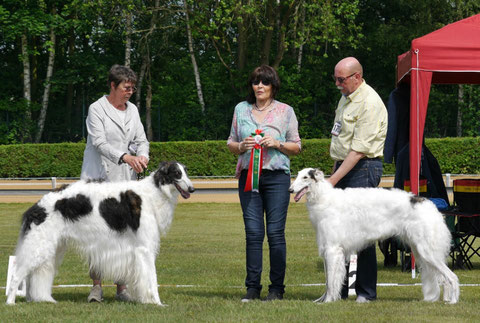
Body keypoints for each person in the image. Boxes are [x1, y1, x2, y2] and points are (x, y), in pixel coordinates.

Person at [227, 65, 301, 302]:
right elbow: (231, 141)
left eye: (265, 83)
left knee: (276, 233)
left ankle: (277, 289)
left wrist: (277, 144)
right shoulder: (241, 109)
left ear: (273, 86)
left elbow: (296, 146)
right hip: (249, 177)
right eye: (256, 82)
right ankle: (252, 288)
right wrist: (241, 146)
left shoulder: (285, 111)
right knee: (253, 233)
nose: (259, 86)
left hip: (277, 178)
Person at [80, 64, 150, 303]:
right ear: (113, 85)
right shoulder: (96, 109)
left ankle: (121, 288)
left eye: (132, 88)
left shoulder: (133, 110)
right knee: (96, 232)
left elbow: (141, 139)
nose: (130, 92)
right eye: (126, 88)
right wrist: (125, 157)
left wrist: (143, 156)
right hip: (98, 179)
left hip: (124, 181)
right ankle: (96, 287)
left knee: (124, 233)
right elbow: (99, 142)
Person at [327, 57, 388, 303]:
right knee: (337, 232)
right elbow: (340, 142)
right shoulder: (345, 98)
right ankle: (337, 291)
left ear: (357, 77)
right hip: (344, 167)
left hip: (363, 168)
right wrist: (334, 171)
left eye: (341, 80)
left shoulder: (370, 102)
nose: (337, 84)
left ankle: (365, 293)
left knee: (362, 233)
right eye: (335, 79)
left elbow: (358, 151)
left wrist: (332, 180)